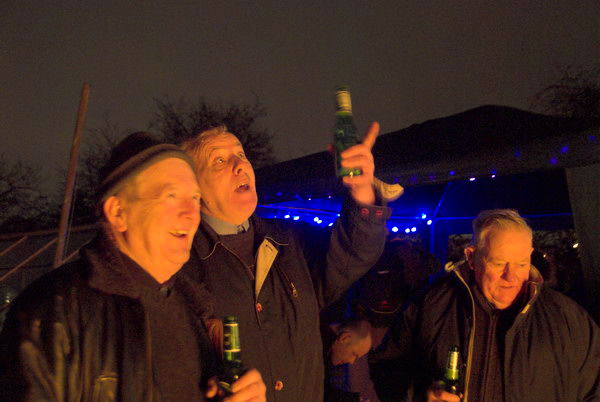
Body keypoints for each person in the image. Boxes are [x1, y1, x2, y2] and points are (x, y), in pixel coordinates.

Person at [0, 132, 266, 401]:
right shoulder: (52, 312)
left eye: (194, 198)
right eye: (171, 195)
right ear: (118, 213)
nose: (190, 213)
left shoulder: (196, 312)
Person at [180, 123, 390, 401]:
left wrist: (362, 190)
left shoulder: (288, 244)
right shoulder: (181, 266)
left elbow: (353, 255)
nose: (239, 165)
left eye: (241, 155)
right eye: (219, 159)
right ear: (193, 187)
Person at [374, 209, 599, 402]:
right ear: (471, 257)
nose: (510, 277)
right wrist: (421, 394)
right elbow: (387, 368)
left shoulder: (568, 318)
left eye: (521, 263)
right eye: (498, 263)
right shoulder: (430, 304)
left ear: (531, 255)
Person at [321, 317, 372, 402]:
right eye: (354, 354)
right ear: (345, 338)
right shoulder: (314, 348)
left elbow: (321, 389)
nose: (351, 362)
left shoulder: (326, 356)